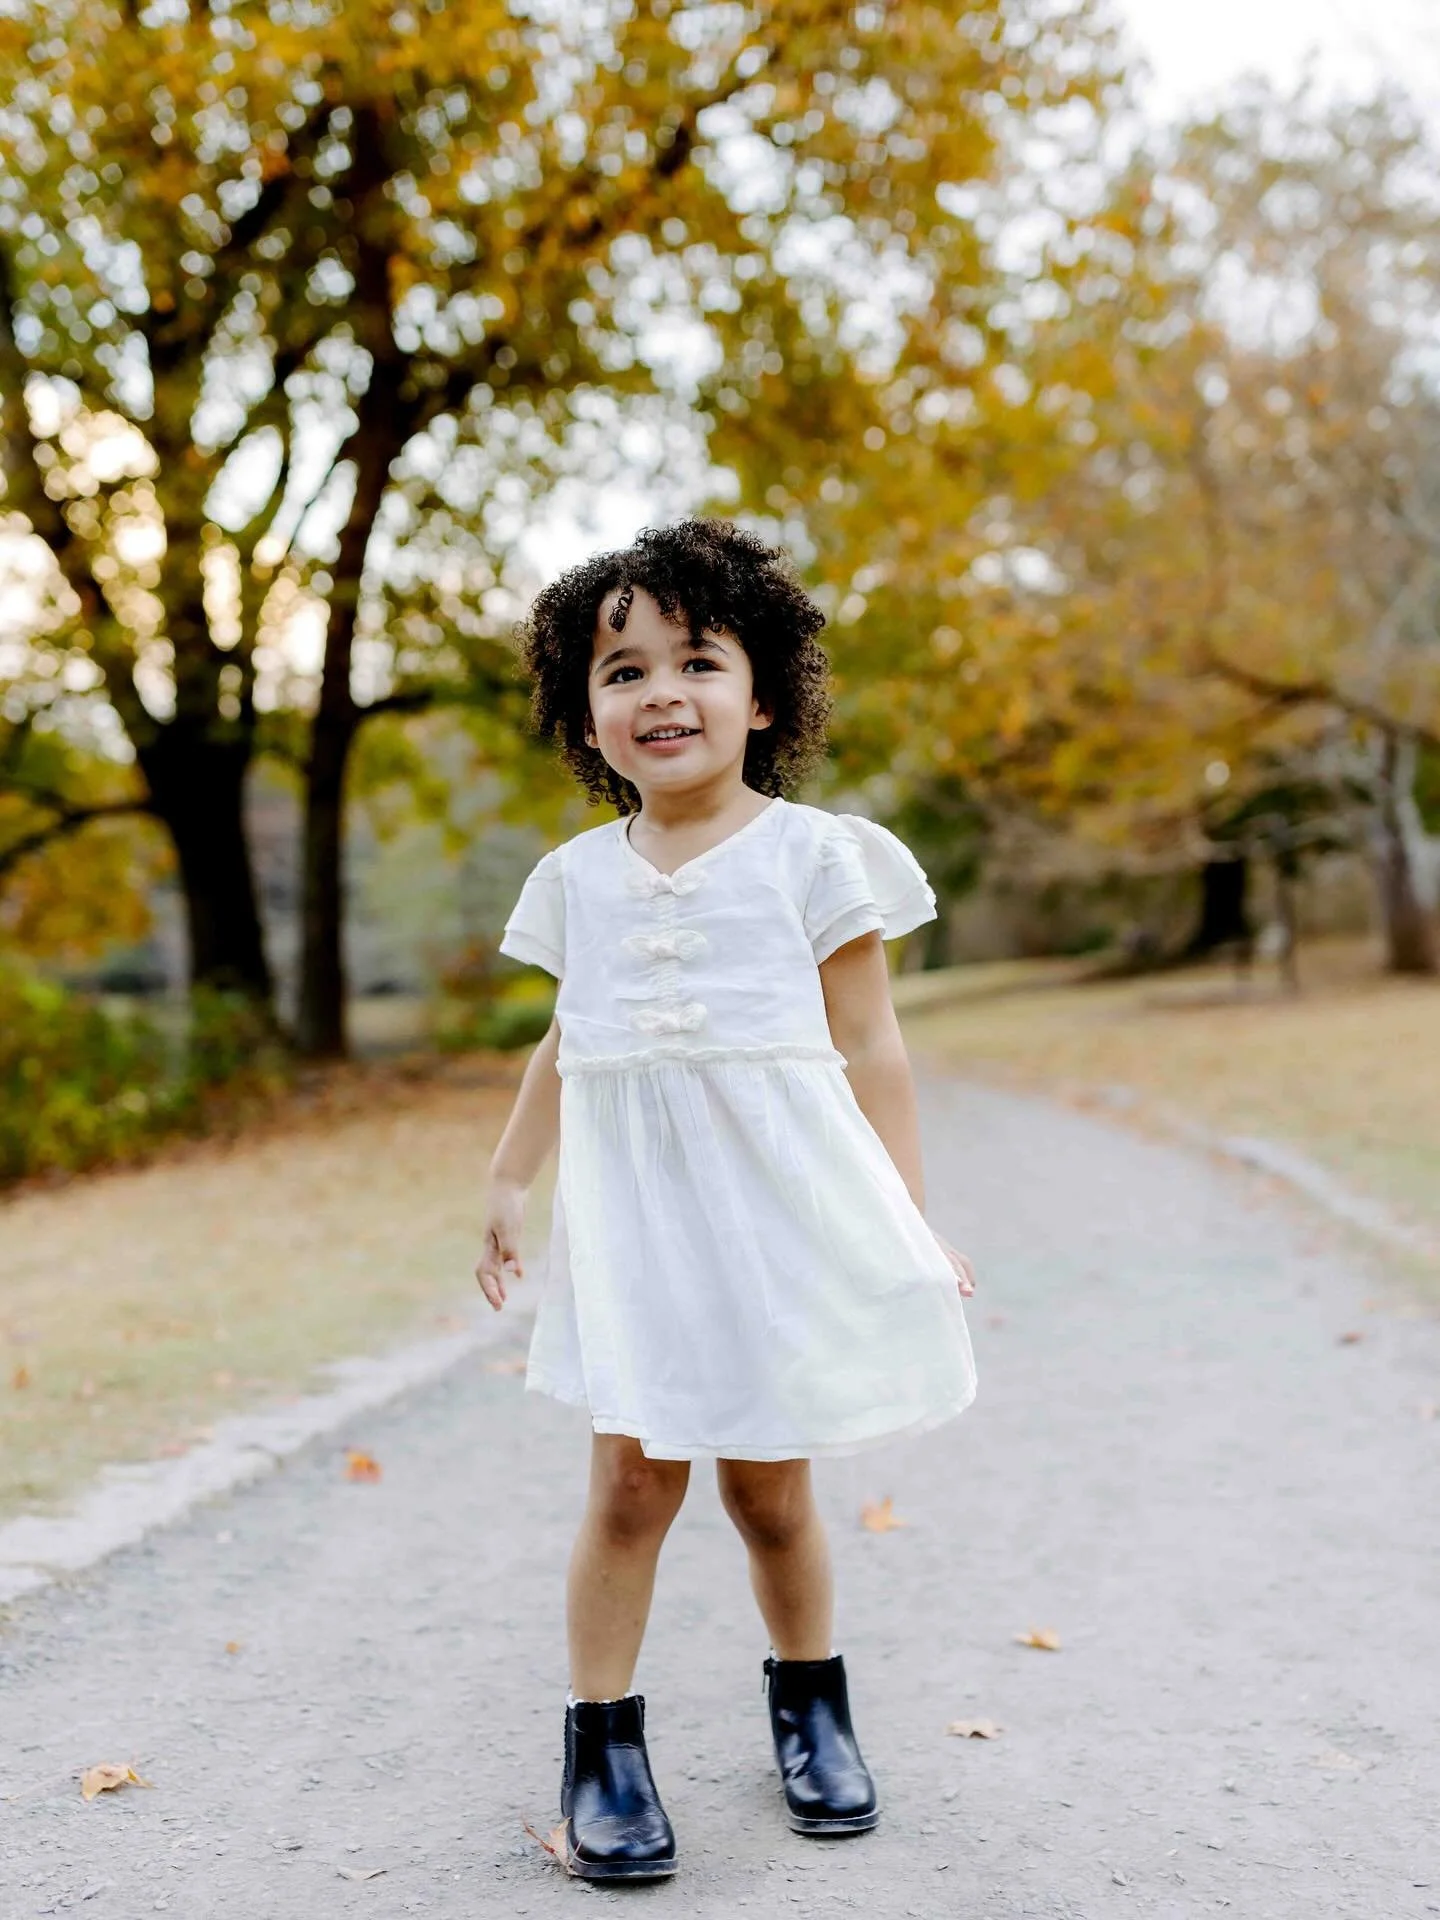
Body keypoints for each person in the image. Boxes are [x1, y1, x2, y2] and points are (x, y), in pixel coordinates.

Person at [475, 519, 977, 1881]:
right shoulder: (575, 881)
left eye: (696, 659)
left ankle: (814, 1712)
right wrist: (510, 1180)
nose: (660, 692)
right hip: (636, 1237)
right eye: (621, 670)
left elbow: (873, 1050)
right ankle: (604, 1747)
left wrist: (909, 1222)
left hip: (780, 1228)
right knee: (632, 1486)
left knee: (768, 1490)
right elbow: (565, 1045)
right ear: (588, 718)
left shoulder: (819, 857)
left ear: (762, 698)